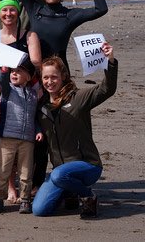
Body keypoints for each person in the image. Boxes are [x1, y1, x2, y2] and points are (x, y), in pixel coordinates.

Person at [32, 45, 117, 218]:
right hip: (60, 171)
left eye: (54, 77)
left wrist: (111, 61)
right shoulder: (41, 108)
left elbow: (106, 89)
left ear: (63, 76)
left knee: (58, 174)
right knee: (39, 210)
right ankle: (69, 192)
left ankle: (88, 195)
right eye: (46, 77)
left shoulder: (78, 98)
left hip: (88, 166)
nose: (50, 81)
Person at [14, 0, 108, 70]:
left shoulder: (70, 16)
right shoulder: (34, 9)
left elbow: (101, 8)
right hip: (36, 73)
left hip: (60, 75)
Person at [0, 0, 44, 196]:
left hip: (26, 91)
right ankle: (10, 187)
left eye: (12, 9)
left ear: (18, 12)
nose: (8, 13)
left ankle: (27, 184)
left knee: (25, 135)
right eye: (4, 10)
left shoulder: (29, 36)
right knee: (3, 135)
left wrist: (38, 87)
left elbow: (37, 63)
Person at [0, 59, 41, 214]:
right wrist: (4, 71)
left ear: (29, 77)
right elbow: (2, 81)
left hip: (27, 139)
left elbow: (34, 117)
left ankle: (25, 200)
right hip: (7, 137)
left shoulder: (32, 94)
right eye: (13, 71)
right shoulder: (7, 90)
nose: (14, 73)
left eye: (19, 71)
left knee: (26, 172)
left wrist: (37, 130)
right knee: (3, 170)